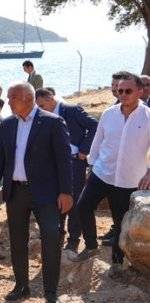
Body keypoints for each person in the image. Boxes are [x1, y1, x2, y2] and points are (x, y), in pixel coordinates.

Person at [0, 82, 72, 303]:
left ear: (27, 98)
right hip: (16, 192)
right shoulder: (8, 124)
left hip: (47, 194)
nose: (8, 101)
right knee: (17, 240)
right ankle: (21, 285)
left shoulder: (52, 122)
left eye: (12, 97)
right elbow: (0, 158)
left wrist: (66, 192)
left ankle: (51, 293)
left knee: (51, 240)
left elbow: (64, 160)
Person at [76, 72, 150, 265]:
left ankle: (117, 263)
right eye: (119, 91)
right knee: (83, 206)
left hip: (129, 179)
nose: (122, 94)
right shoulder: (108, 114)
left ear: (140, 91)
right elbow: (98, 141)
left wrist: (149, 172)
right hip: (102, 172)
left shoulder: (148, 117)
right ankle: (91, 246)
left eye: (127, 91)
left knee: (119, 223)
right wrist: (91, 165)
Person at [35, 87, 98, 252]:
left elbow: (94, 126)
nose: (39, 109)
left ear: (50, 99)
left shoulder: (71, 110)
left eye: (42, 105)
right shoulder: (41, 116)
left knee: (74, 201)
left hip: (74, 162)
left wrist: (84, 149)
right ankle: (57, 233)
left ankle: (74, 239)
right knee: (54, 198)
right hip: (52, 164)